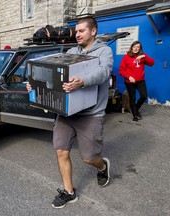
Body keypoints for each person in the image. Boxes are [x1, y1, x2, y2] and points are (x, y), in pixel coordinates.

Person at [26, 16, 112, 209]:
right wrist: (34, 82)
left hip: (90, 114)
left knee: (89, 157)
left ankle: (102, 166)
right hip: (66, 113)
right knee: (61, 151)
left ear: (93, 31)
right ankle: (69, 192)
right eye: (76, 31)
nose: (77, 34)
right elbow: (53, 73)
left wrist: (82, 81)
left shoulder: (104, 52)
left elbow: (103, 72)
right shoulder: (71, 52)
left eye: (81, 31)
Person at [119, 41, 154, 121]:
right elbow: (121, 71)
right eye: (134, 46)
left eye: (138, 47)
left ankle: (135, 109)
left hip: (140, 80)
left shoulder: (143, 57)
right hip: (129, 82)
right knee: (132, 99)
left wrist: (144, 57)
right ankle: (135, 115)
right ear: (131, 47)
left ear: (140, 48)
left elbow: (152, 63)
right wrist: (129, 77)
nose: (136, 48)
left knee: (144, 96)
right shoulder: (126, 57)